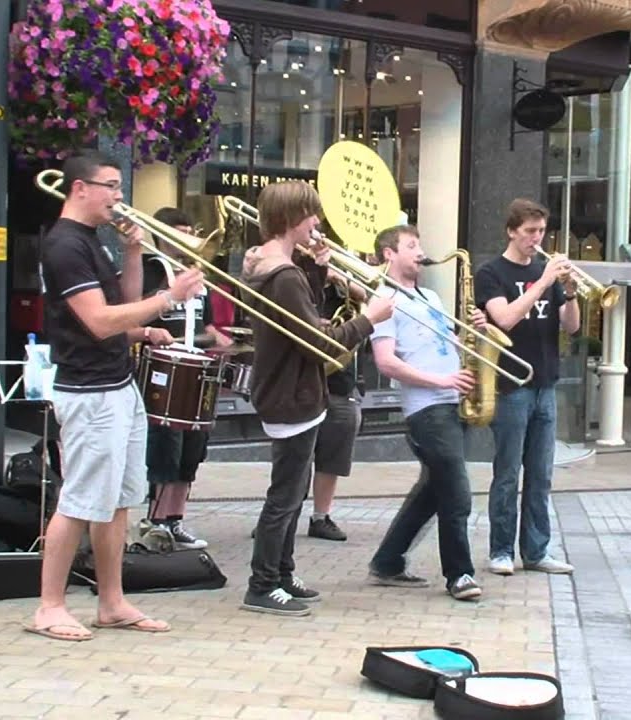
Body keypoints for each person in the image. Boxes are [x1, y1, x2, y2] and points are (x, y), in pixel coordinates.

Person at [28, 150, 203, 641]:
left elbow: (123, 311)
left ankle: (112, 602)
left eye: (120, 188)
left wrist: (131, 254)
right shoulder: (64, 246)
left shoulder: (93, 241)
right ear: (79, 188)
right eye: (111, 187)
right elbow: (98, 321)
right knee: (80, 500)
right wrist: (170, 297)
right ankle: (49, 607)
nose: (119, 198)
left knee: (120, 500)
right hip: (88, 391)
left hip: (117, 384)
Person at [239, 180, 393, 616]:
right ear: (291, 219)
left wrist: (320, 270)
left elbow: (298, 319)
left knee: (293, 490)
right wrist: (368, 319)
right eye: (312, 215)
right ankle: (262, 583)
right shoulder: (283, 272)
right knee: (285, 496)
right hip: (293, 392)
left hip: (288, 388)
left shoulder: (275, 265)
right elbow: (318, 343)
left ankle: (283, 574)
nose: (318, 223)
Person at [368, 225, 486, 601]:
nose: (420, 251)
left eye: (420, 243)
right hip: (427, 408)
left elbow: (446, 342)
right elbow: (386, 363)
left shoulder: (431, 296)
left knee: (432, 492)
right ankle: (459, 575)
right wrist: (442, 380)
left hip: (452, 401)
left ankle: (387, 561)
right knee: (456, 493)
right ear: (389, 253)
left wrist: (476, 329)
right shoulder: (384, 300)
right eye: (411, 245)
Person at [475, 199, 579, 577]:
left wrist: (568, 292)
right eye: (529, 232)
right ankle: (501, 550)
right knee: (507, 472)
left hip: (546, 384)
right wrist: (545, 281)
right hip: (510, 384)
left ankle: (536, 551)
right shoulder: (491, 273)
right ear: (511, 231)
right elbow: (504, 318)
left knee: (541, 474)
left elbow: (572, 327)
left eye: (541, 231)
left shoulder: (544, 272)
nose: (537, 239)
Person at [138, 207, 233, 550]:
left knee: (192, 448)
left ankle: (175, 520)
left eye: (190, 232)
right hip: (163, 369)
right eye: (179, 233)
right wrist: (151, 329)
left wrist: (223, 341)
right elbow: (132, 317)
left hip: (195, 369)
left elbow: (207, 327)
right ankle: (155, 519)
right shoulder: (150, 272)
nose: (188, 240)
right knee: (165, 446)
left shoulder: (198, 278)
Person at [306, 265, 368, 542]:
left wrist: (343, 278)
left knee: (334, 455)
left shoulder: (348, 291)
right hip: (305, 380)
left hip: (342, 383)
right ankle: (283, 513)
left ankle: (321, 517)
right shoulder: (301, 281)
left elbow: (371, 298)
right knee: (295, 454)